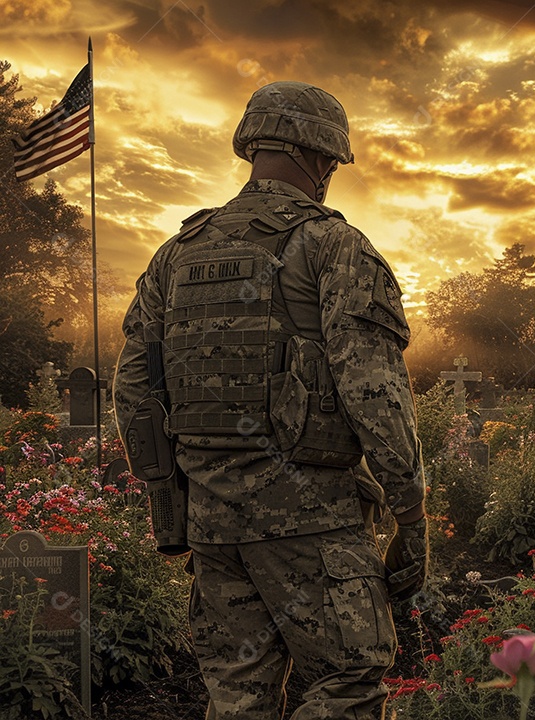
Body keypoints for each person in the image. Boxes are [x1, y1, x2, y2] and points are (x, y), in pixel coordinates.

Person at [114, 81, 428, 720]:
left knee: (237, 695)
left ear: (254, 147)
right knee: (347, 685)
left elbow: (134, 393)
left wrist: (172, 503)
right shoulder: (333, 246)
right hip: (313, 524)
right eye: (331, 163)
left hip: (213, 527)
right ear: (319, 156)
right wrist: (411, 514)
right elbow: (374, 394)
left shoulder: (175, 255)